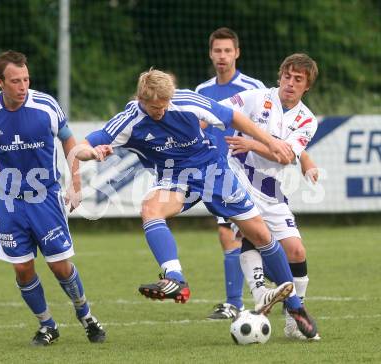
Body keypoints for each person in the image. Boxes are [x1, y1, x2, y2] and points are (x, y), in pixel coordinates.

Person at [75, 68, 318, 339]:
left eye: (164, 105)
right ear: (141, 99)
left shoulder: (188, 101)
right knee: (149, 208)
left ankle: (296, 307)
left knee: (261, 234)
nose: (159, 112)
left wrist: (270, 142)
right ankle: (175, 278)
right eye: (153, 107)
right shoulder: (129, 119)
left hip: (213, 171)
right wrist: (93, 153)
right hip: (174, 179)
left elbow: (234, 117)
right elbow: (82, 146)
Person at [0, 50, 106, 346]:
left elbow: (69, 141)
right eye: (15, 81)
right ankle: (47, 325)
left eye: (26, 79)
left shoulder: (46, 106)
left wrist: (74, 182)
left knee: (59, 266)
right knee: (23, 268)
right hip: (9, 201)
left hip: (46, 199)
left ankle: (86, 315)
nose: (23, 86)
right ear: (0, 82)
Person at [222, 53, 320, 340]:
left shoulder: (307, 120)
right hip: (239, 177)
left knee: (297, 252)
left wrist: (252, 142)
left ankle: (293, 318)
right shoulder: (255, 97)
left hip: (272, 188)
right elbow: (220, 111)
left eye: (298, 80)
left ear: (306, 87)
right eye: (287, 76)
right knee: (254, 232)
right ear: (280, 76)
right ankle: (260, 293)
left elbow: (286, 155)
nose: (290, 83)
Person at [195, 27, 266, 319]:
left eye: (227, 50)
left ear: (237, 52)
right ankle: (245, 298)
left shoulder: (253, 87)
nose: (222, 56)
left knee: (247, 235)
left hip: (249, 172)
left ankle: (238, 301)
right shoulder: (201, 91)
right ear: (211, 54)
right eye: (217, 51)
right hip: (215, 173)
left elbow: (265, 128)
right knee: (232, 234)